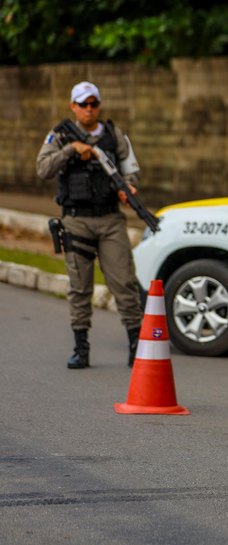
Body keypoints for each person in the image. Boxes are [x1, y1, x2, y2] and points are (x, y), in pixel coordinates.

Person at [35, 81, 144, 370]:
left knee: (124, 282)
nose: (89, 109)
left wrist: (129, 188)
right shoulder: (60, 135)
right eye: (83, 104)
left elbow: (131, 170)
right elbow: (43, 168)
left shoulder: (113, 135)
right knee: (79, 287)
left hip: (110, 220)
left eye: (93, 103)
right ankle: (80, 347)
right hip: (76, 220)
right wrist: (71, 150)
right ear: (73, 106)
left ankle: (136, 343)